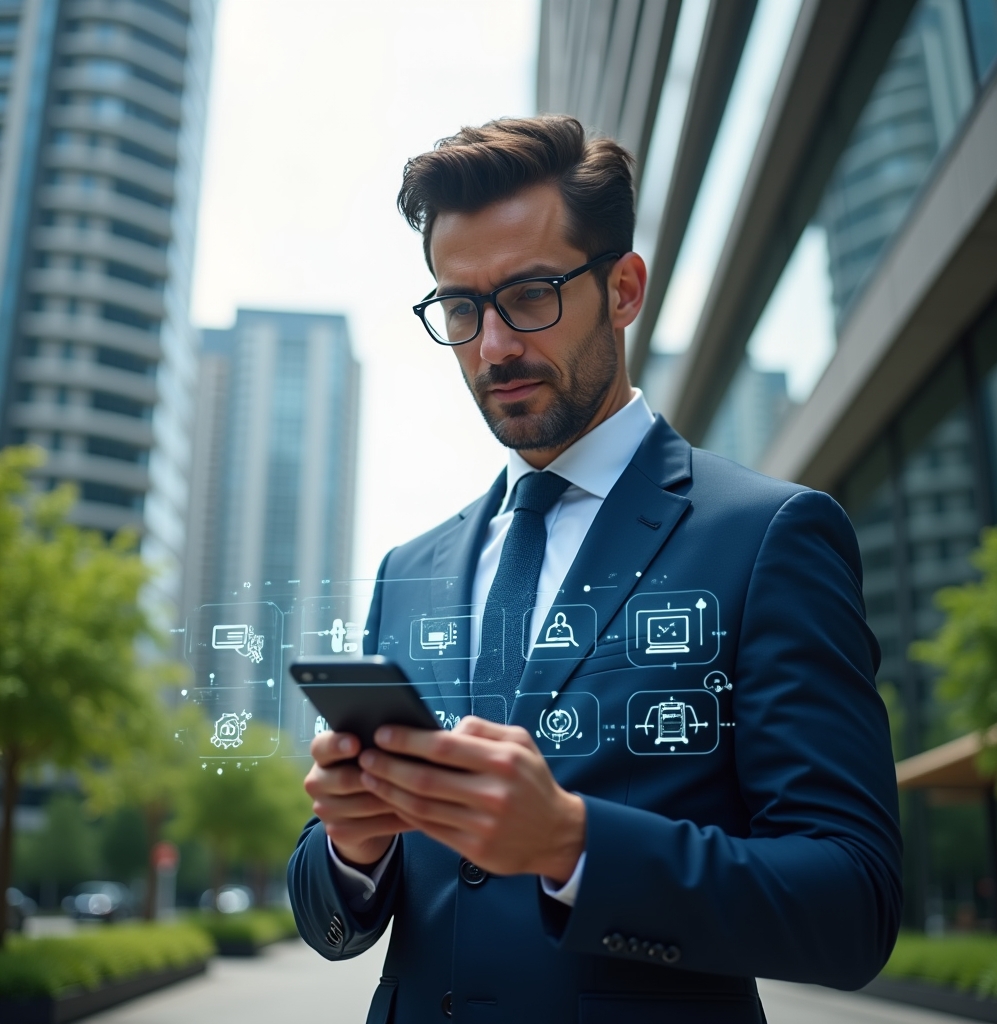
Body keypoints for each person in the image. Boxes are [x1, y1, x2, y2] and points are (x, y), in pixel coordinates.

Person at [288, 115, 902, 1023]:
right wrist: (349, 845)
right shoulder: (407, 569)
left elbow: (852, 903)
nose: (492, 346)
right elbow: (332, 921)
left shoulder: (770, 536)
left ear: (623, 289)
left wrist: (574, 843)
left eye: (530, 294)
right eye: (461, 307)